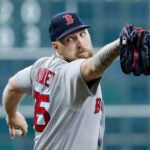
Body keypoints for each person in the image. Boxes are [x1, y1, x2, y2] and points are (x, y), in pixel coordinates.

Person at [2, 11, 120, 150]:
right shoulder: (68, 74)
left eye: (82, 34)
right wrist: (121, 44)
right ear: (56, 48)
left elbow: (12, 86)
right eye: (70, 39)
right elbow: (93, 68)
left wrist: (11, 114)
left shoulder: (40, 67)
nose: (80, 43)